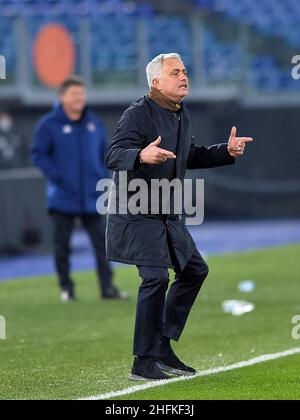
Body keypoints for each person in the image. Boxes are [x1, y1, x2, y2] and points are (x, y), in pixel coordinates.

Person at [105, 54, 253, 380]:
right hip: (137, 211)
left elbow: (190, 155)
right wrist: (140, 155)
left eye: (185, 71)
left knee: (195, 270)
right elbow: (113, 154)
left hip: (166, 214)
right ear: (156, 82)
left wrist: (224, 152)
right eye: (176, 72)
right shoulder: (137, 114)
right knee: (155, 278)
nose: (184, 76)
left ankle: (161, 345)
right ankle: (142, 362)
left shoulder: (179, 113)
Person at [32, 75, 128, 302]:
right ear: (63, 97)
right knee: (62, 246)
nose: (79, 98)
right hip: (63, 195)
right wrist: (58, 177)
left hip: (92, 195)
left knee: (103, 245)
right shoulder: (48, 124)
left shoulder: (93, 122)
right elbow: (38, 154)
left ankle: (107, 288)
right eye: (74, 94)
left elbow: (105, 153)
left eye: (82, 94)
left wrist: (102, 177)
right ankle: (67, 289)